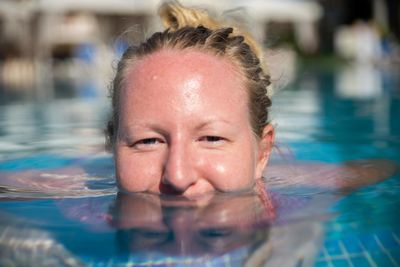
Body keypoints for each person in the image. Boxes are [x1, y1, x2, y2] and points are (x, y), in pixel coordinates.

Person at [105, 1, 397, 197]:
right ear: (113, 148)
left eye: (211, 138)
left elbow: (381, 168)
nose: (178, 176)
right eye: (147, 141)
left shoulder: (306, 191)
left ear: (262, 153)